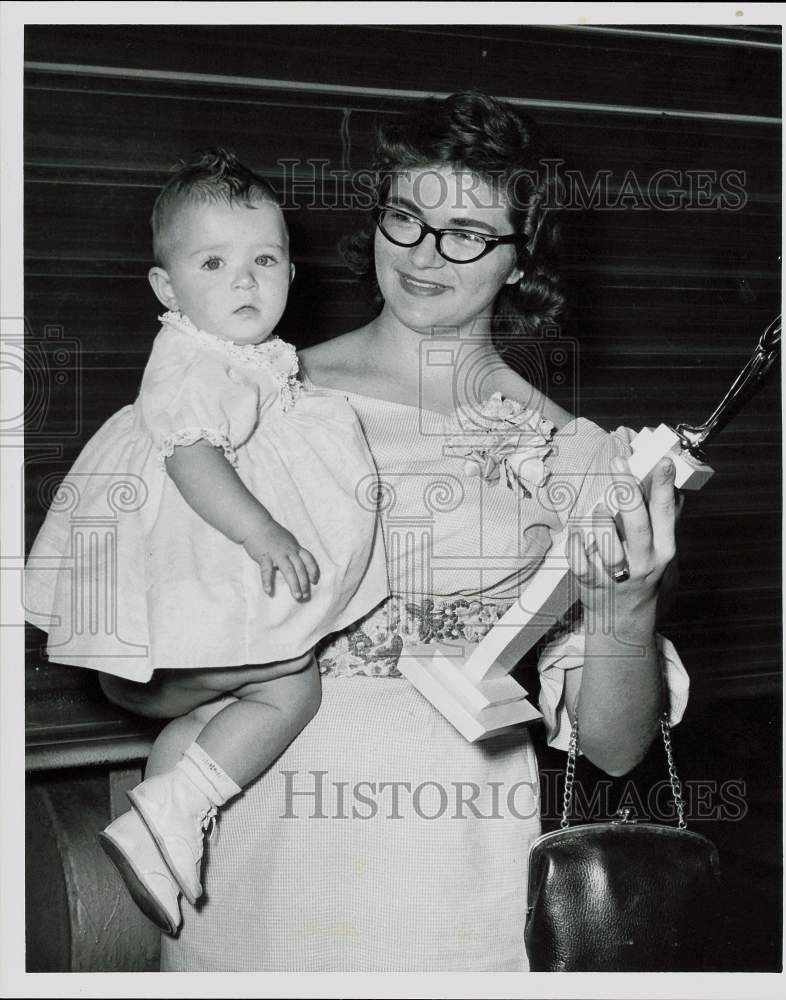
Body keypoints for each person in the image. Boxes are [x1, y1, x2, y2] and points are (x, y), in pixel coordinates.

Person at [147, 92, 689, 972]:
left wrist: (628, 607)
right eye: (407, 216)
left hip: (452, 868)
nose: (427, 254)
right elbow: (136, 684)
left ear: (522, 260)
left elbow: (617, 748)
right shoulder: (241, 400)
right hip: (252, 839)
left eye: (469, 232)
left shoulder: (576, 455)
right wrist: (281, 664)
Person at [23, 149, 389, 936]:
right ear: (168, 287)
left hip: (209, 563)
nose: (245, 281)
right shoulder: (195, 364)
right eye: (214, 262)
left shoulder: (245, 360)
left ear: (293, 272)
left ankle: (163, 815)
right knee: (293, 685)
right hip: (193, 554)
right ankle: (176, 807)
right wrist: (262, 531)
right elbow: (192, 457)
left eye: (265, 259)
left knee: (233, 702)